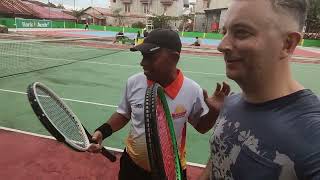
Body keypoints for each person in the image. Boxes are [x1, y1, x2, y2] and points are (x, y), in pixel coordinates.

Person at [88, 28, 230, 180]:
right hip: (132, 165)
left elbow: (201, 127)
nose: (142, 63)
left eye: (150, 57)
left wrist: (214, 112)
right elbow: (124, 114)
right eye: (143, 56)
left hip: (171, 170)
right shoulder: (134, 82)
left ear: (174, 58)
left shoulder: (192, 90)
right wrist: (102, 131)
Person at [200, 0, 320, 179]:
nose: (221, 46)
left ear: (287, 44)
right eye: (225, 32)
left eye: (241, 33)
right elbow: (217, 163)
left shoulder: (313, 133)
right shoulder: (230, 103)